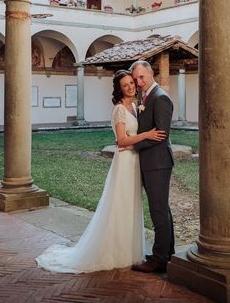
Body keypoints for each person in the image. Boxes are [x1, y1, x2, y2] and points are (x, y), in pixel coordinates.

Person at [35, 69, 166, 273]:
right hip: (124, 162)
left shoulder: (135, 106)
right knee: (120, 204)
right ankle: (114, 252)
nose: (131, 86)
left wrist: (140, 140)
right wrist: (146, 134)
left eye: (132, 82)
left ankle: (130, 251)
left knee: (132, 204)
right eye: (126, 85)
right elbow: (121, 140)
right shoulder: (119, 109)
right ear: (119, 89)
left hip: (135, 161)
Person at [127, 60, 175, 273]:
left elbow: (161, 136)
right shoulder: (146, 97)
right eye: (135, 78)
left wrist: (134, 145)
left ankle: (159, 259)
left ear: (151, 73)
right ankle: (167, 253)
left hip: (157, 163)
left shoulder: (160, 97)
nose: (138, 82)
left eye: (141, 77)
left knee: (158, 210)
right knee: (162, 208)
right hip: (152, 162)